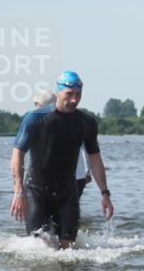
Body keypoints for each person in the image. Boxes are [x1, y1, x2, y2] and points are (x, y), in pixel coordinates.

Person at [11, 71, 114, 248]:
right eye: (69, 94)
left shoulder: (87, 122)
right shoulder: (35, 118)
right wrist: (19, 191)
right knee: (40, 247)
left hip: (68, 193)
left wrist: (105, 193)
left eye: (78, 95)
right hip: (37, 192)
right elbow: (17, 153)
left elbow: (95, 159)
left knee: (69, 249)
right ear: (58, 92)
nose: (74, 100)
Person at [34, 90, 93, 198]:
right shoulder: (38, 123)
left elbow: (88, 149)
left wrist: (87, 172)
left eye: (38, 106)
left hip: (73, 177)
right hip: (68, 177)